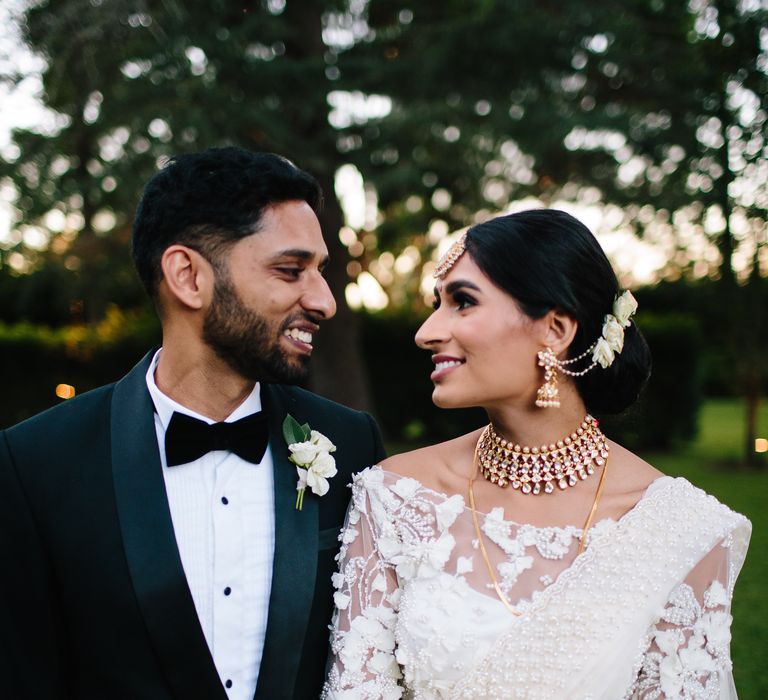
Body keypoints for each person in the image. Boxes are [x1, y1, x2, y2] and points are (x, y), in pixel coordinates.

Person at [0, 147, 385, 700]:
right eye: (290, 270)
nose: (323, 300)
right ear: (188, 277)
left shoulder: (350, 443)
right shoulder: (34, 463)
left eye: (320, 271)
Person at [322, 209, 751, 699]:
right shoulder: (395, 496)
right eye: (436, 303)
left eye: (462, 302)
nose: (425, 332)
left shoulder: (676, 529)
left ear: (555, 329)